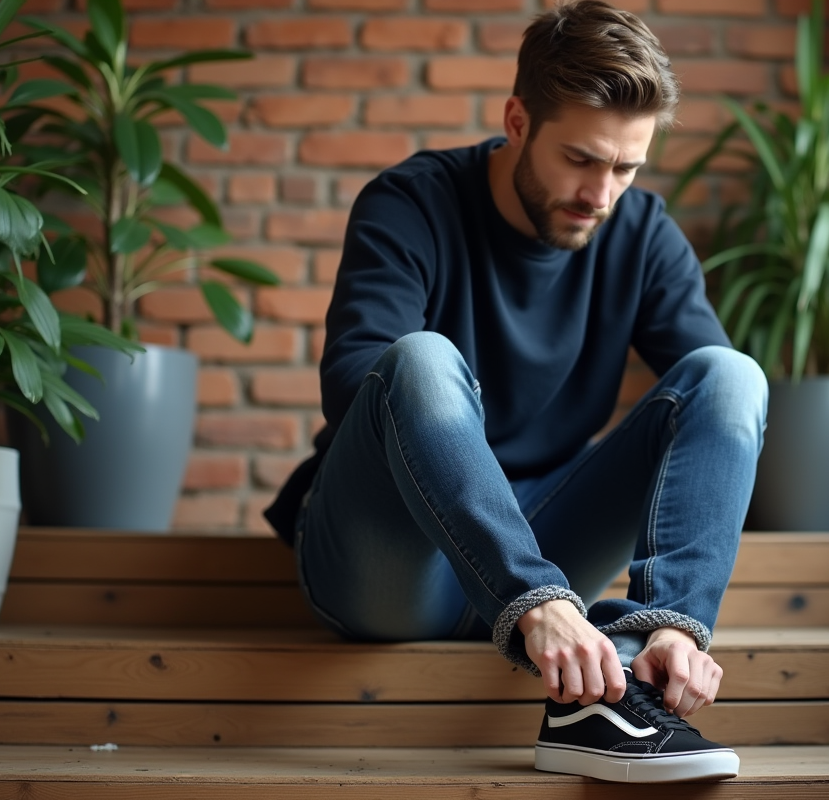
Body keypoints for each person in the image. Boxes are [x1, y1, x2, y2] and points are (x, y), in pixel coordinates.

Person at [264, 0, 768, 783]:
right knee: (420, 359)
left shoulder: (640, 232)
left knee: (731, 375)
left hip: (546, 547)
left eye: (627, 168)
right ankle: (545, 614)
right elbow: (352, 382)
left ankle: (635, 659)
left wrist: (681, 620)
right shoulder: (412, 203)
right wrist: (539, 598)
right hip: (396, 563)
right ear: (518, 120)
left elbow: (713, 412)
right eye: (581, 159)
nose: (602, 194)